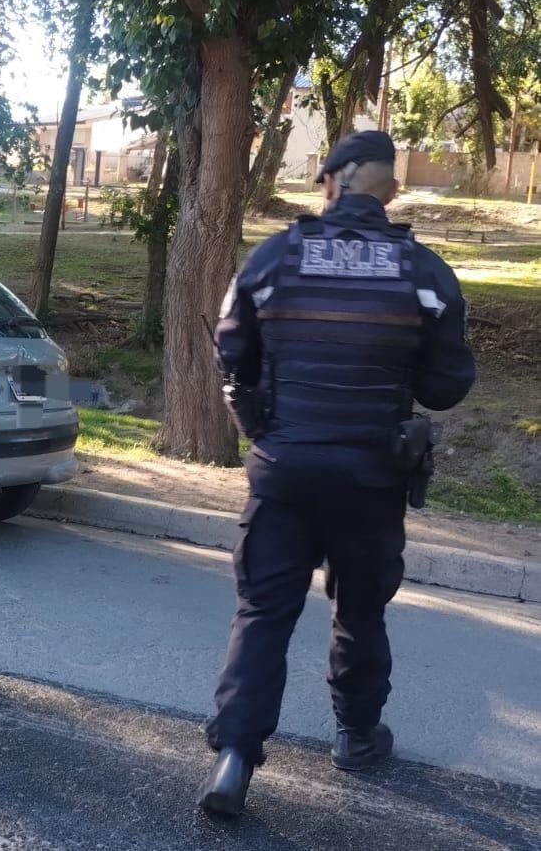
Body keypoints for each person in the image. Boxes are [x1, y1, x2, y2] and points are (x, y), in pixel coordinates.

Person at [196, 130, 477, 816]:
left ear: (331, 181)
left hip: (284, 471)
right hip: (371, 479)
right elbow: (446, 386)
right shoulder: (424, 272)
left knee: (263, 612)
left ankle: (235, 758)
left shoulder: (274, 258)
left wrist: (269, 413)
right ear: (390, 191)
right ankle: (356, 736)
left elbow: (233, 354)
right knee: (360, 610)